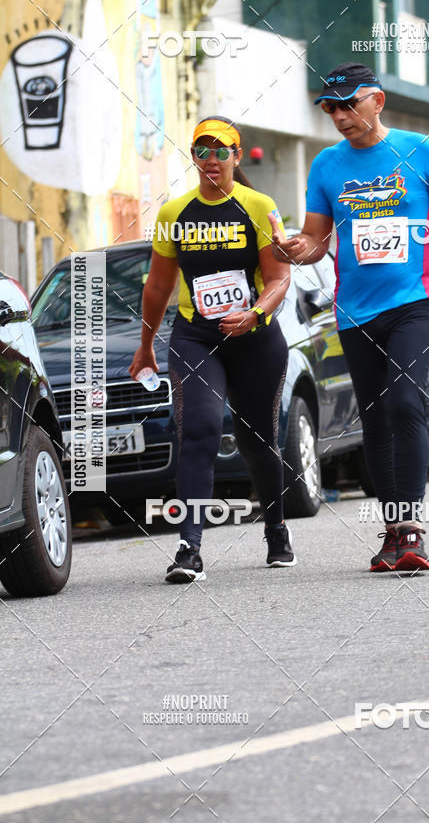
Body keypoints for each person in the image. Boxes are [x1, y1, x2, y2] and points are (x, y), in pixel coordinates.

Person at [271, 62, 429, 573]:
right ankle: (393, 532)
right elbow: (317, 244)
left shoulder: (421, 151)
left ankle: (412, 525)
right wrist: (291, 249)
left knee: (405, 401)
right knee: (374, 417)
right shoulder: (326, 165)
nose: (340, 117)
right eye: (331, 109)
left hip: (414, 301)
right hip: (354, 310)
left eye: (349, 105)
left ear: (378, 101)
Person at [130, 116, 295, 582]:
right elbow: (157, 287)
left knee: (258, 440)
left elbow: (280, 278)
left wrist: (256, 314)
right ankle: (190, 548)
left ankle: (276, 531)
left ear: (236, 157)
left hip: (255, 337)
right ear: (194, 157)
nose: (211, 160)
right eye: (202, 151)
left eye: (222, 152)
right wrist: (145, 346)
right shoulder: (173, 214)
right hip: (196, 337)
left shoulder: (259, 206)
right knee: (198, 430)